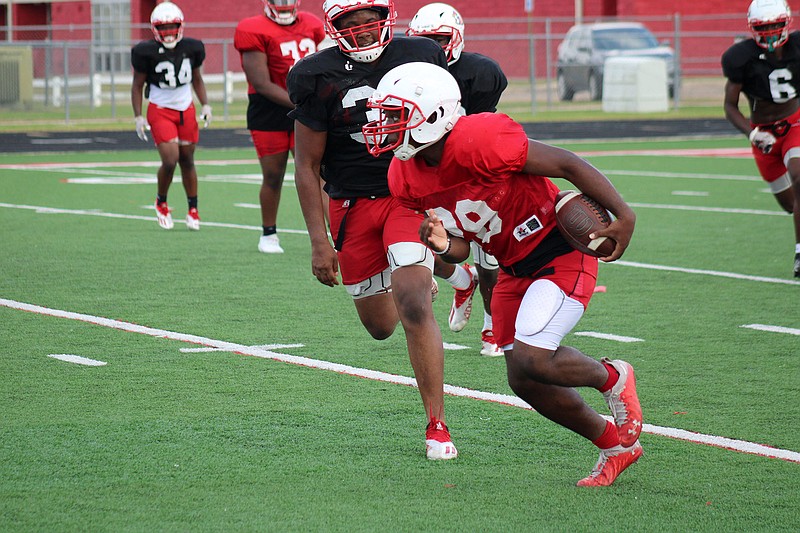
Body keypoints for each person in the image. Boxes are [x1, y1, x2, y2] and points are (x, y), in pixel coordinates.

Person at [363, 62, 644, 486]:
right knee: (522, 379)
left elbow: (566, 163)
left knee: (535, 356)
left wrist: (623, 213)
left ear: (435, 115)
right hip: (512, 267)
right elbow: (462, 247)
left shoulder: (481, 139)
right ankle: (614, 444)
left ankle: (613, 375)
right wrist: (442, 245)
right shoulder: (405, 175)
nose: (386, 126)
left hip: (556, 251)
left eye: (397, 115)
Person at [286, 0, 457, 460]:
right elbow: (306, 165)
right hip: (351, 203)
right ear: (333, 25)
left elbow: (452, 123)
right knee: (381, 326)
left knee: (415, 304)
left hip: (408, 194)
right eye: (350, 21)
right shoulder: (315, 74)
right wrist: (319, 241)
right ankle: (415, 276)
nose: (362, 29)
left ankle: (437, 424)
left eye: (369, 18)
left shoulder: (420, 54)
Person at [407, 2, 509, 357]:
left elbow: (481, 132)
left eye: (439, 40)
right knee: (415, 243)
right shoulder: (405, 74)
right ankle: (462, 282)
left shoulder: (479, 73)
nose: (433, 49)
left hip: (471, 171)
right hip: (423, 169)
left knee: (487, 255)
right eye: (426, 41)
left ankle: (491, 325)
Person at [234, 0, 327, 253]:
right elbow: (261, 83)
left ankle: (337, 235)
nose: (284, 5)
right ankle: (268, 233)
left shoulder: (313, 24)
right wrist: (303, 102)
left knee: (319, 173)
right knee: (273, 175)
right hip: (269, 110)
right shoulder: (252, 28)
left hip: (305, 107)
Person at [722, 0, 800, 277]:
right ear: (752, 28)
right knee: (790, 204)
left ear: (786, 22)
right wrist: (752, 133)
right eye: (763, 27)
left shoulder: (797, 47)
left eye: (775, 25)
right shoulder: (740, 57)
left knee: (798, 173)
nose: (769, 32)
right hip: (764, 133)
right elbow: (730, 105)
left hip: (794, 124)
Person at [131, 1, 211, 231]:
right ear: (155, 29)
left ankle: (193, 208)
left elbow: (197, 78)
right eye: (163, 28)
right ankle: (161, 202)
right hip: (160, 108)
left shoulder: (192, 47)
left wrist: (205, 104)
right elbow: (137, 86)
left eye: (172, 26)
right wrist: (138, 116)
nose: (168, 32)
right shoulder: (144, 51)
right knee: (170, 159)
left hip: (186, 108)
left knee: (187, 159)